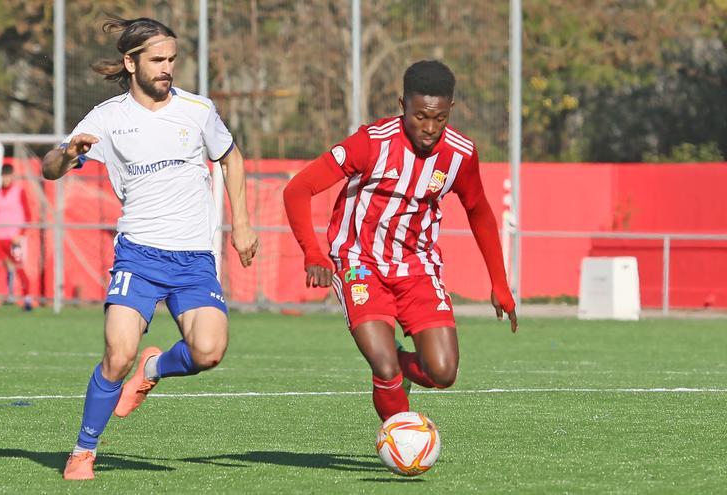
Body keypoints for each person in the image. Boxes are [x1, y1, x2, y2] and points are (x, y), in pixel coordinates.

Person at [41, 17, 258, 480]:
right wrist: (68, 152)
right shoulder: (107, 118)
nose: (167, 69)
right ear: (130, 62)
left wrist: (242, 223)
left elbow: (231, 157)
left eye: (172, 60)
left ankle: (155, 368)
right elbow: (50, 167)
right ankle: (83, 451)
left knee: (209, 352)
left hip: (195, 259)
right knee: (116, 356)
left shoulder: (198, 110)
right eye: (157, 60)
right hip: (139, 254)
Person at [283, 60, 518, 423]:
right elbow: (298, 189)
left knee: (442, 372)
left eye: (439, 119)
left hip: (417, 265)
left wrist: (499, 282)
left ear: (450, 110)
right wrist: (312, 253)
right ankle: (400, 435)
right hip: (358, 261)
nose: (429, 129)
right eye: (420, 116)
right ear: (402, 105)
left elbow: (480, 212)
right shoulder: (371, 143)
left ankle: (399, 365)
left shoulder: (460, 154)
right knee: (384, 367)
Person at [0, 164, 33, 311]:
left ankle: (27, 299)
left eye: (9, 175)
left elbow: (28, 215)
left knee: (19, 268)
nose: (6, 178)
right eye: (4, 175)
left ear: (12, 176)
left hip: (14, 238)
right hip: (0, 237)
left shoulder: (18, 192)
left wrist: (20, 234)